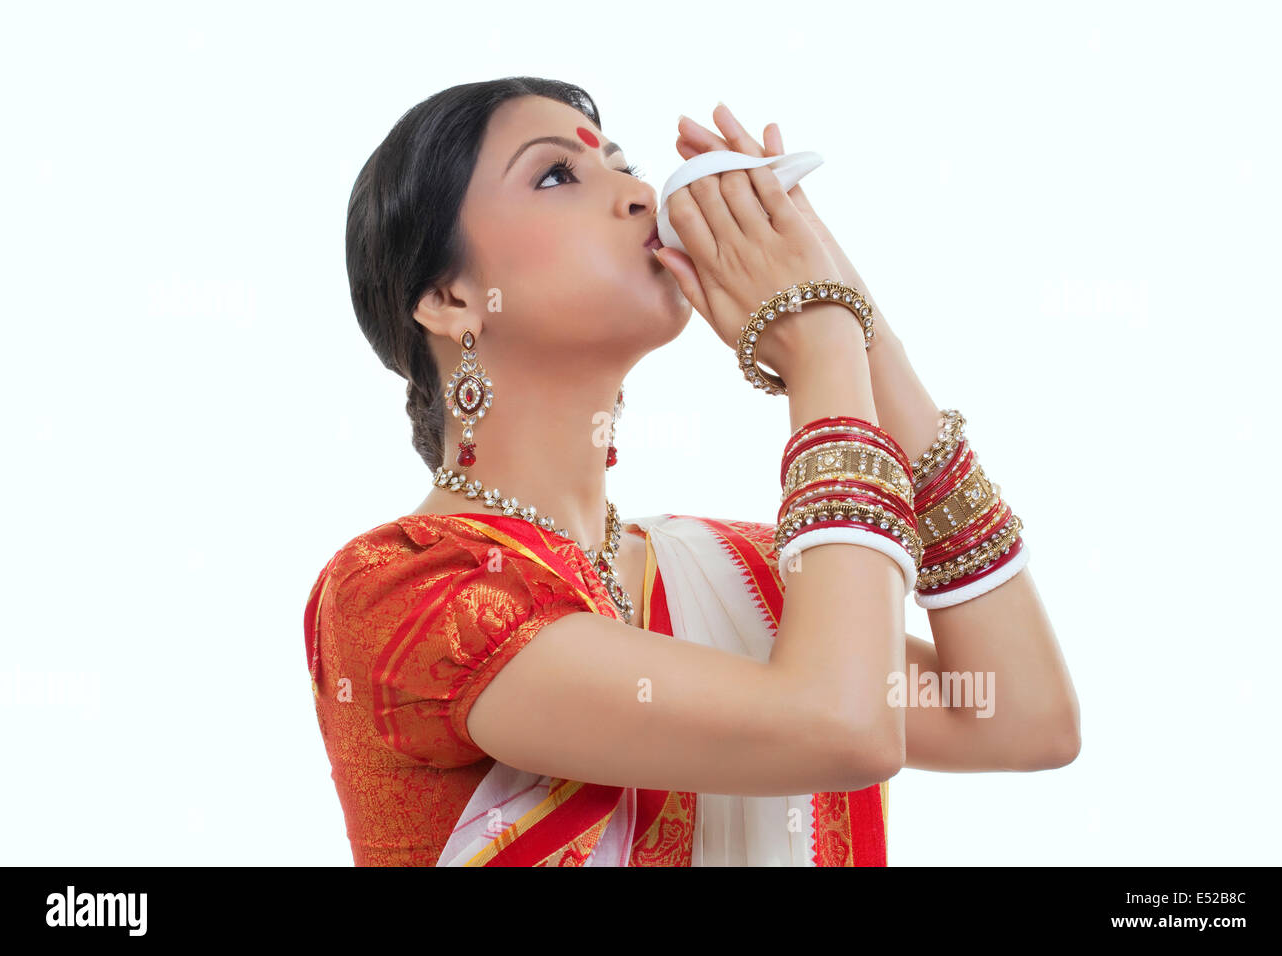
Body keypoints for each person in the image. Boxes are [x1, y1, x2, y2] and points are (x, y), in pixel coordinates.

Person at [303, 77, 1081, 866]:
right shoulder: (406, 591)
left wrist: (848, 311)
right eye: (556, 175)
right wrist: (821, 355)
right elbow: (841, 724)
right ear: (449, 296)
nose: (641, 194)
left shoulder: (739, 571)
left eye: (624, 164)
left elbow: (1022, 718)